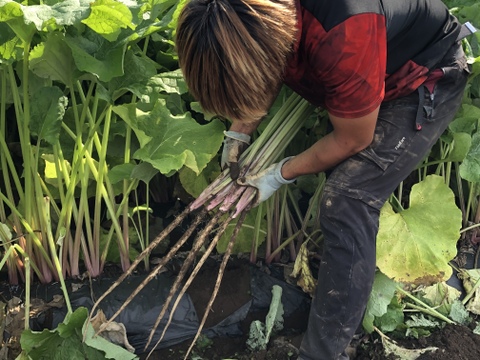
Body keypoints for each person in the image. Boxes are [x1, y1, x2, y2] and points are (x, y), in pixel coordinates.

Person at [175, 0, 472, 359]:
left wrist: (278, 174)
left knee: (347, 199)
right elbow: (261, 64)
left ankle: (324, 353)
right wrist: (239, 132)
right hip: (356, 62)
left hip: (419, 76)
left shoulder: (346, 31)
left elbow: (352, 139)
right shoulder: (249, 17)